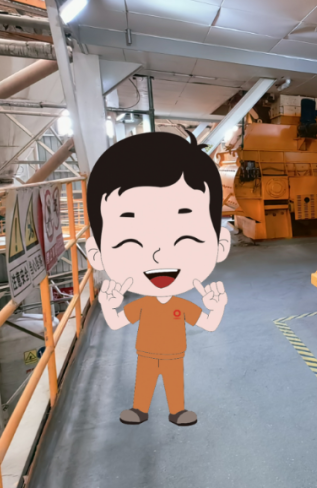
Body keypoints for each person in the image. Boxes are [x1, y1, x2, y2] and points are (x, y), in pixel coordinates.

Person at [85, 131, 230, 426]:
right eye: (131, 242)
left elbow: (209, 323)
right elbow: (116, 322)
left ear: (220, 245)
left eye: (185, 239)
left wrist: (217, 307)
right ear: (97, 254)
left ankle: (177, 411)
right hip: (147, 354)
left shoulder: (180, 306)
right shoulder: (144, 306)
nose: (159, 255)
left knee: (174, 382)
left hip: (175, 354)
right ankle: (140, 409)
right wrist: (108, 306)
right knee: (146, 380)